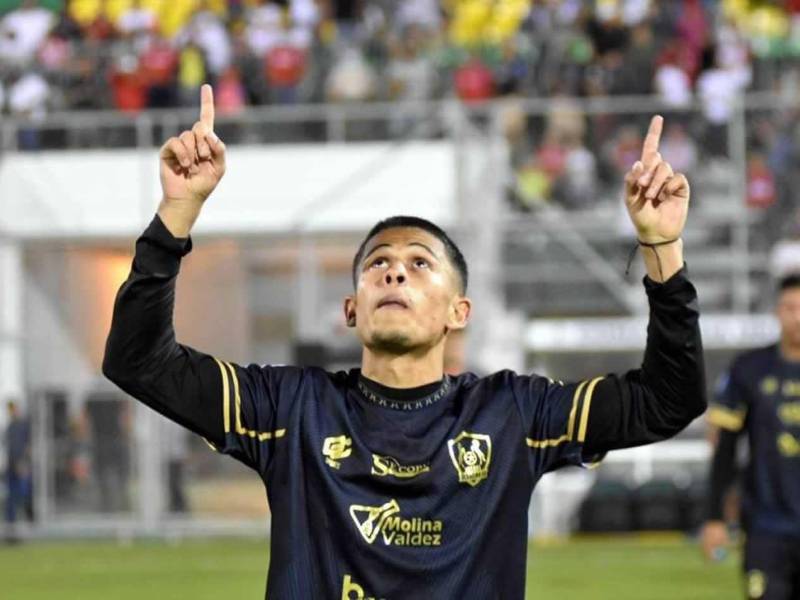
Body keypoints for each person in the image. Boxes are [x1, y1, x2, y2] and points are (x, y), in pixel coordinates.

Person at [103, 85, 705, 599]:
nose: (395, 272)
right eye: (378, 265)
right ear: (351, 310)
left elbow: (668, 400)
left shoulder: (512, 415)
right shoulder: (292, 410)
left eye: (420, 263)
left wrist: (661, 250)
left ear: (458, 312)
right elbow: (138, 361)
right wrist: (176, 214)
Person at [702, 274, 800, 600]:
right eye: (790, 308)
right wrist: (714, 517)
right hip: (766, 528)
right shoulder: (749, 369)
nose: (797, 317)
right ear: (776, 312)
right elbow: (725, 451)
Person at [4, 400, 32, 543]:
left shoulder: (22, 426)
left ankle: (24, 528)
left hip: (20, 466)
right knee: (11, 499)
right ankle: (12, 531)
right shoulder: (10, 426)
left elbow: (26, 446)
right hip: (11, 467)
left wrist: (23, 463)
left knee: (22, 496)